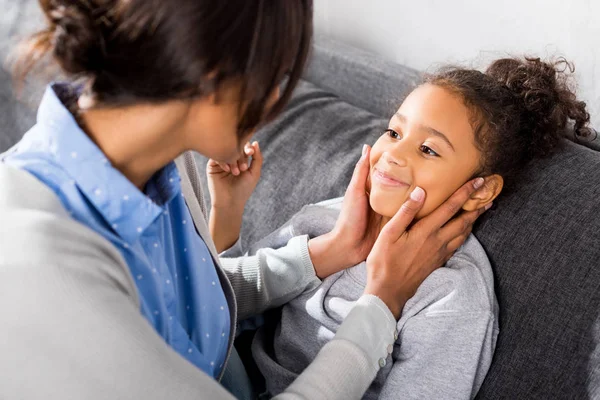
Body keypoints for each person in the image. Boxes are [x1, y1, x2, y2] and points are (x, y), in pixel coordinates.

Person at [0, 0, 489, 399]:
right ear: (212, 74)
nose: (277, 103)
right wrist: (381, 304)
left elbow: (179, 305)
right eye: (275, 76)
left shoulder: (167, 165)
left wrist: (327, 253)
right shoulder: (36, 259)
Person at [211, 57, 591, 399]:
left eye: (428, 149)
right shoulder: (329, 219)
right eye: (394, 133)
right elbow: (217, 302)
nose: (393, 153)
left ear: (481, 190)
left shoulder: (449, 295)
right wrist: (227, 213)